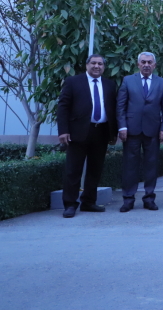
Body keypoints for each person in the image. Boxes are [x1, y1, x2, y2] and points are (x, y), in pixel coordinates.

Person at [57, 54, 118, 218]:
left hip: (101, 131)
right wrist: (63, 130)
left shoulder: (110, 84)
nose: (97, 66)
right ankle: (70, 204)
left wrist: (113, 132)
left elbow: (113, 109)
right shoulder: (73, 82)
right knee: (73, 170)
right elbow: (63, 107)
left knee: (95, 170)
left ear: (104, 67)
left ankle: (88, 202)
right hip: (78, 132)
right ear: (87, 65)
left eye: (100, 64)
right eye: (93, 63)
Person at [117, 52, 163, 212]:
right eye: (143, 62)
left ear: (154, 65)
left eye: (149, 62)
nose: (146, 65)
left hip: (153, 130)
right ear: (138, 64)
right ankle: (128, 199)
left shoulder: (162, 82)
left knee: (151, 166)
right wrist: (122, 127)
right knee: (130, 166)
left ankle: (149, 198)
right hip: (131, 130)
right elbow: (121, 106)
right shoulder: (128, 80)